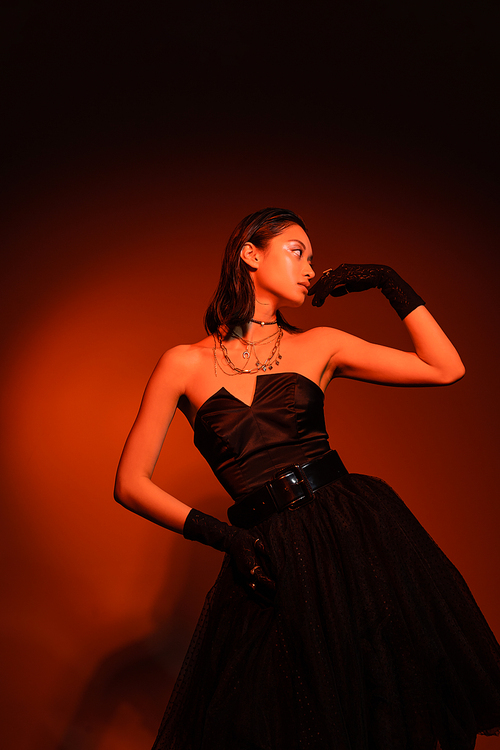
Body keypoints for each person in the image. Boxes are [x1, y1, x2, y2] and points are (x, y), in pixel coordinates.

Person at [114, 208, 500, 749]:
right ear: (250, 254)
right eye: (298, 251)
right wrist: (225, 537)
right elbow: (130, 483)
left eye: (312, 258)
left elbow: (445, 367)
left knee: (381, 701)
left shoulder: (322, 344)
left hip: (351, 533)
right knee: (280, 719)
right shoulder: (182, 363)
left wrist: (390, 282)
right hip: (266, 549)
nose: (311, 269)